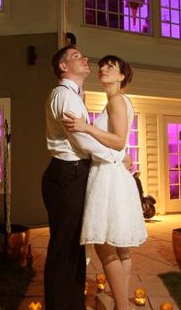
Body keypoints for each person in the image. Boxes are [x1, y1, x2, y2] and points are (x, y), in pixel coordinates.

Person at [42, 45, 125, 310]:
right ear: (63, 67)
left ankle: (73, 302)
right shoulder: (63, 95)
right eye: (76, 56)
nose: (85, 58)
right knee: (64, 246)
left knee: (74, 246)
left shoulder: (76, 96)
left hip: (75, 173)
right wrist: (113, 156)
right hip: (67, 174)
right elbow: (81, 140)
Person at [63, 55, 147, 310]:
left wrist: (86, 127)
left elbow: (119, 141)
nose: (103, 69)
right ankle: (121, 300)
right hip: (115, 174)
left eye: (111, 66)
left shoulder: (117, 101)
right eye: (102, 66)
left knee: (105, 246)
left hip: (108, 178)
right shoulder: (115, 102)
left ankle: (121, 305)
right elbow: (120, 144)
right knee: (121, 249)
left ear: (122, 76)